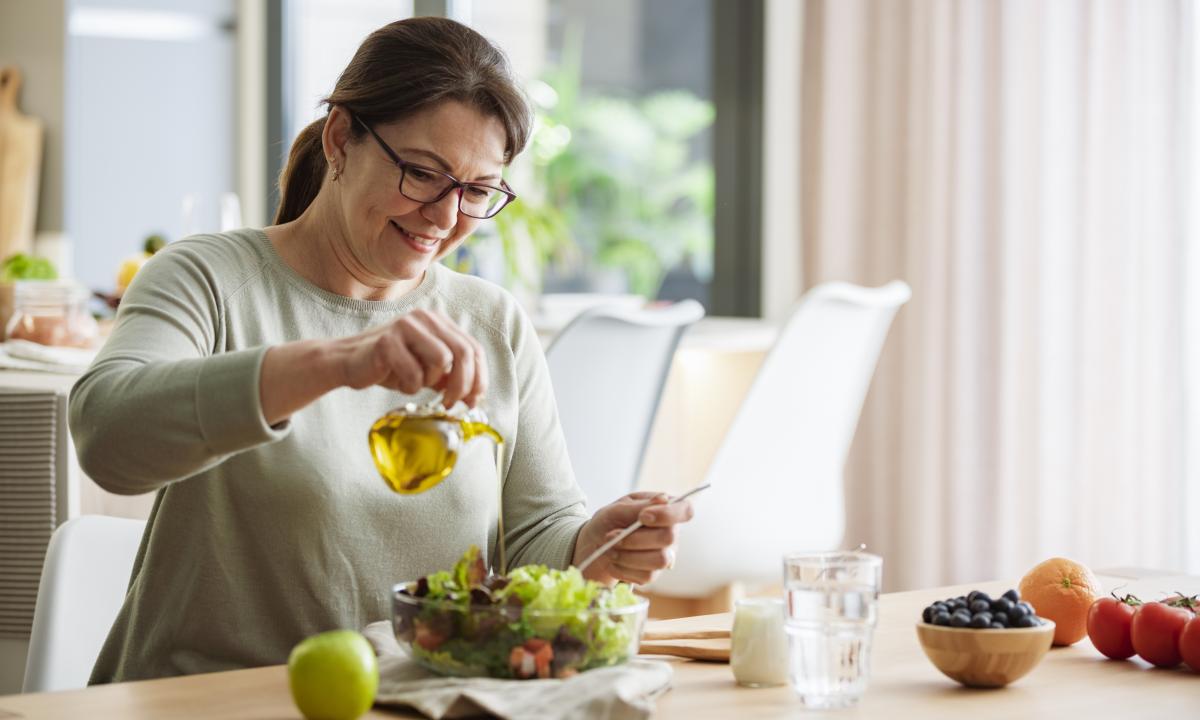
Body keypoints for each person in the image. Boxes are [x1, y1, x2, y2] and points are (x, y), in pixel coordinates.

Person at [70, 17, 695, 684]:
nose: (446, 216)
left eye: (478, 191)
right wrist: (339, 361)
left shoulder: (490, 322)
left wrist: (590, 544)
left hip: (416, 700)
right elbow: (109, 437)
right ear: (342, 139)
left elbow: (536, 529)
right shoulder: (210, 279)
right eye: (423, 174)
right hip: (214, 700)